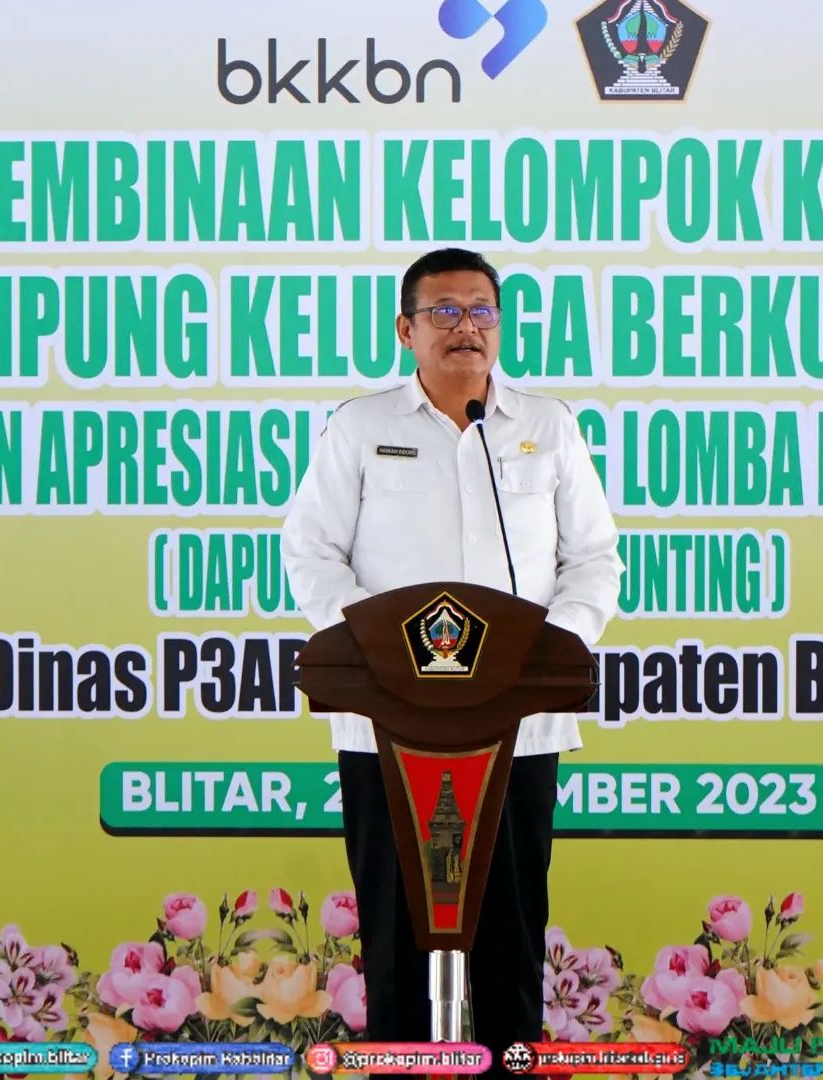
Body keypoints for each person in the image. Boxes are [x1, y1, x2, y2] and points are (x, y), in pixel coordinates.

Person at [282, 248, 622, 1072]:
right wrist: (378, 650)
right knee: (396, 936)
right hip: (388, 730)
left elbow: (594, 558)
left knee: (510, 936)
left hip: (517, 729)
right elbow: (311, 552)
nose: (465, 327)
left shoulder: (547, 426)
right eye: (444, 311)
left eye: (481, 311)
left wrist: (552, 645)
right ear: (406, 330)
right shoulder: (361, 428)